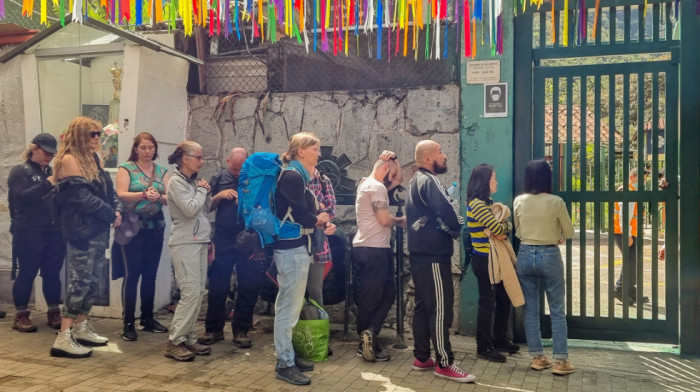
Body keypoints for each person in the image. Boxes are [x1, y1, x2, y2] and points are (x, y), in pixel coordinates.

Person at [50, 117, 124, 358]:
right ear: (80, 135)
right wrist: (110, 214)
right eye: (92, 134)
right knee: (80, 281)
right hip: (81, 230)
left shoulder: (92, 158)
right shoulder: (69, 160)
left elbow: (107, 190)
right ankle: (63, 336)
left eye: (98, 134)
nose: (97, 138)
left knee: (93, 279)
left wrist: (116, 211)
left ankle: (81, 327)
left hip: (98, 228)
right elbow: (81, 198)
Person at [406, 140, 476, 383]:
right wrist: (458, 224)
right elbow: (447, 210)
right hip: (433, 256)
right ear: (428, 158)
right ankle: (444, 363)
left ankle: (422, 357)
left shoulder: (414, 181)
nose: (444, 156)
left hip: (419, 255)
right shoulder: (430, 180)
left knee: (424, 306)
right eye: (440, 152)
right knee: (440, 308)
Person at [274, 132, 336, 386]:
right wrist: (319, 219)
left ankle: (289, 355)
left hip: (297, 247)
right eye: (315, 149)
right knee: (288, 310)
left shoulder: (298, 175)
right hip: (291, 249)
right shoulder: (292, 176)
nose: (319, 154)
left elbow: (304, 211)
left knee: (291, 307)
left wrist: (319, 219)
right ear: (301, 150)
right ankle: (285, 363)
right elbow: (302, 213)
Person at [514, 159, 575, 375]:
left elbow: (519, 232)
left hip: (525, 254)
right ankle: (561, 362)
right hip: (549, 254)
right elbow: (569, 232)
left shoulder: (519, 201)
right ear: (547, 178)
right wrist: (557, 234)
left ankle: (538, 358)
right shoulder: (556, 201)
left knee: (530, 309)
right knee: (557, 309)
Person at [198, 147, 262, 349]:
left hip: (248, 237)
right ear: (227, 162)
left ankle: (241, 330)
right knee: (218, 285)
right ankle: (213, 329)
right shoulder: (218, 178)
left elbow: (263, 207)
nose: (237, 172)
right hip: (223, 237)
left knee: (248, 284)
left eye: (240, 168)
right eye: (234, 169)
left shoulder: (255, 179)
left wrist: (243, 201)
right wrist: (220, 195)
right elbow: (206, 207)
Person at [114, 132, 171, 341]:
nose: (147, 151)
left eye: (151, 147)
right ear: (136, 149)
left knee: (150, 274)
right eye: (143, 147)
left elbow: (170, 197)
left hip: (155, 225)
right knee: (132, 275)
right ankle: (128, 321)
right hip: (133, 225)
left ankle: (147, 318)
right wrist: (144, 194)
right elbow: (121, 193)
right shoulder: (126, 168)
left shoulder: (162, 171)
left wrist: (160, 197)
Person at [8, 133, 65, 332]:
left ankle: (53, 311)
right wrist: (47, 184)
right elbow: (20, 198)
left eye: (52, 154)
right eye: (46, 152)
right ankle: (21, 315)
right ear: (34, 149)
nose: (49, 156)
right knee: (27, 273)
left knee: (52, 274)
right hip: (28, 231)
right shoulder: (20, 171)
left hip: (53, 231)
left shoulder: (51, 171)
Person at [352, 151, 405, 363]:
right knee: (377, 299)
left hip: (364, 248)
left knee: (377, 297)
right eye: (390, 175)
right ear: (383, 170)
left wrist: (395, 159)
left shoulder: (365, 184)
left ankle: (369, 335)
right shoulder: (377, 187)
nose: (392, 180)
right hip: (375, 250)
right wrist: (399, 220)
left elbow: (399, 178)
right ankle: (368, 337)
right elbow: (384, 219)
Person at [165, 141, 213, 361]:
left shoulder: (191, 182)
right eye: (199, 157)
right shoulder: (176, 182)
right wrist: (202, 190)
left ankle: (190, 337)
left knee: (197, 293)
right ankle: (175, 341)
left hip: (199, 241)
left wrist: (205, 192)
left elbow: (204, 208)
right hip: (185, 243)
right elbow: (189, 209)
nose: (202, 162)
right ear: (185, 158)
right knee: (190, 293)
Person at [466, 164, 518, 363]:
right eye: (494, 178)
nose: (496, 181)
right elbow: (500, 228)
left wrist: (504, 226)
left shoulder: (487, 203)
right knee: (487, 303)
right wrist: (505, 226)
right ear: (485, 180)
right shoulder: (478, 205)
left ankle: (499, 339)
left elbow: (503, 227)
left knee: (503, 299)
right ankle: (484, 346)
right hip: (484, 259)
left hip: (494, 258)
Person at [613, 168, 650, 306]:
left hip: (628, 232)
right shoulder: (629, 191)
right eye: (642, 178)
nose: (644, 182)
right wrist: (627, 234)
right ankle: (620, 288)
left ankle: (629, 290)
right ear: (632, 177)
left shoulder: (632, 191)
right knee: (629, 260)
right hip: (624, 232)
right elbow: (624, 215)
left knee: (632, 261)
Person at [306, 168, 336, 307]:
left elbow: (330, 211)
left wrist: (325, 218)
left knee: (315, 290)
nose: (317, 154)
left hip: (318, 241)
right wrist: (318, 213)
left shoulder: (324, 181)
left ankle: (317, 326)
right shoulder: (294, 177)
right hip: (296, 239)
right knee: (293, 290)